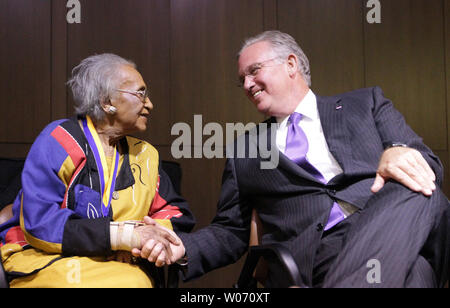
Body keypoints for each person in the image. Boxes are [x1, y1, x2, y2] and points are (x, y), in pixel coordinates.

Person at [140, 30, 450, 287]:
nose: (247, 85)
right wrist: (184, 248)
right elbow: (230, 231)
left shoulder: (365, 104)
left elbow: (426, 165)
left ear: (291, 64)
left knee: (417, 185)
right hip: (319, 252)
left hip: (389, 222)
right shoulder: (245, 149)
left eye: (254, 71)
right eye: (242, 80)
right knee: (417, 274)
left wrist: (398, 148)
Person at [0, 53, 195, 287]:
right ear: (107, 102)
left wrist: (145, 243)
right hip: (47, 258)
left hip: (122, 262)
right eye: (140, 93)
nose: (150, 104)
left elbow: (173, 212)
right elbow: (40, 223)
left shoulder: (146, 155)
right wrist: (123, 237)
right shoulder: (60, 140)